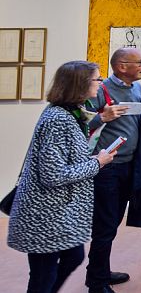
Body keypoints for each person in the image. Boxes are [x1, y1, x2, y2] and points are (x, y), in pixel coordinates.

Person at [8, 61, 117, 293]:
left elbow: (69, 155)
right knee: (43, 274)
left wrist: (93, 158)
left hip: (57, 213)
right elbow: (53, 174)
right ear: (80, 84)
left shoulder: (70, 113)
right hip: (45, 214)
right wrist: (97, 163)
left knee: (72, 257)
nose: (101, 83)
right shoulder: (58, 119)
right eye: (97, 79)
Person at [85, 48, 141, 293]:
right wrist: (101, 117)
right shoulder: (101, 89)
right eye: (140, 62)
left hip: (130, 164)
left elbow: (132, 118)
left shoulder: (136, 88)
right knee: (105, 224)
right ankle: (97, 282)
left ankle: (99, 271)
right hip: (108, 169)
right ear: (121, 66)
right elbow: (81, 125)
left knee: (113, 221)